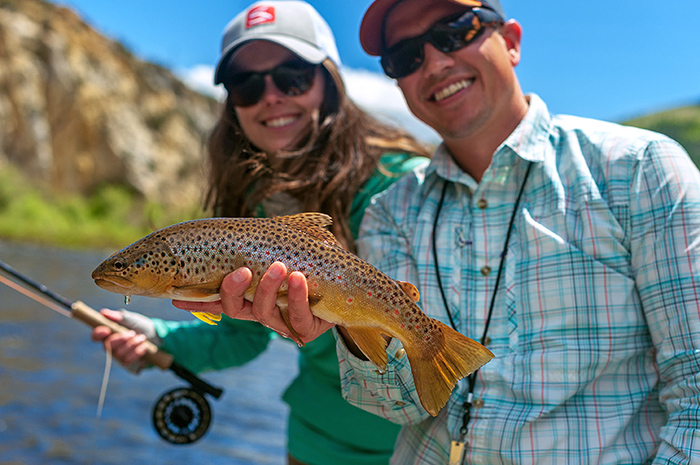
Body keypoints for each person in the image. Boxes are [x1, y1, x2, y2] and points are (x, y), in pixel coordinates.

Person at [182, 0, 700, 463]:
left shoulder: (640, 171)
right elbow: (398, 404)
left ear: (512, 40)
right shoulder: (393, 210)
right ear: (396, 81)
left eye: (454, 31)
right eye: (405, 56)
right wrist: (347, 330)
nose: (433, 61)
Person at [91, 2, 431, 465]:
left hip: (413, 449)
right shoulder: (249, 208)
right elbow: (241, 336)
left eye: (292, 76)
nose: (270, 96)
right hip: (311, 441)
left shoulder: (409, 186)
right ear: (232, 103)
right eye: (247, 85)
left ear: (329, 84)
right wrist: (157, 336)